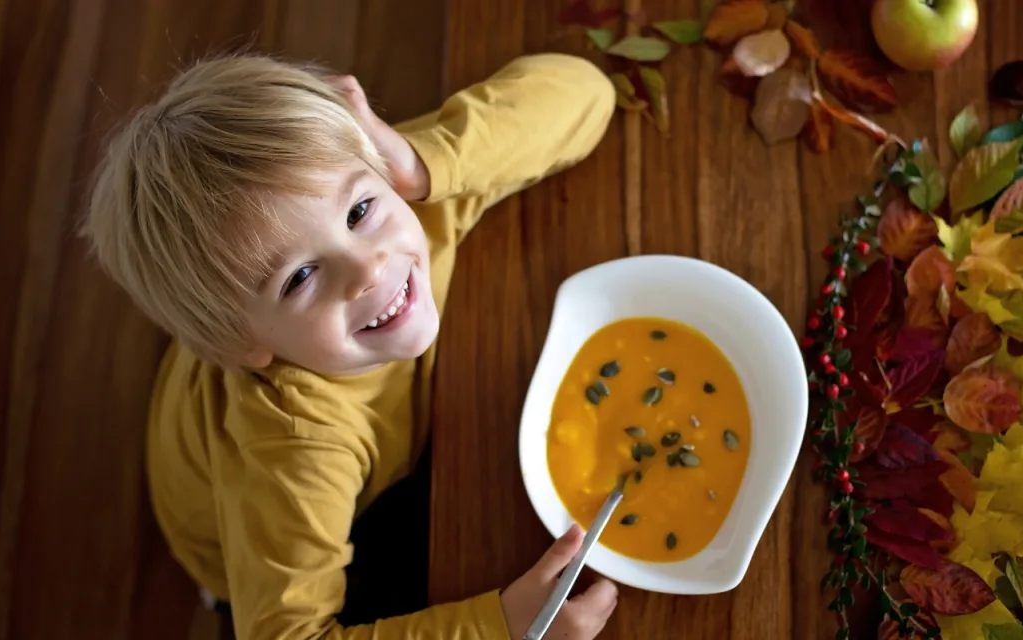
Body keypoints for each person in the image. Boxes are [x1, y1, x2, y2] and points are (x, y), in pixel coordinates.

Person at [80, 50, 620, 639]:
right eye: (299, 278)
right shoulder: (293, 446)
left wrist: (422, 160)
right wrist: (502, 627)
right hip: (249, 542)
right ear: (243, 345)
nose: (368, 267)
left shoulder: (403, 190)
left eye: (360, 211)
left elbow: (587, 93)